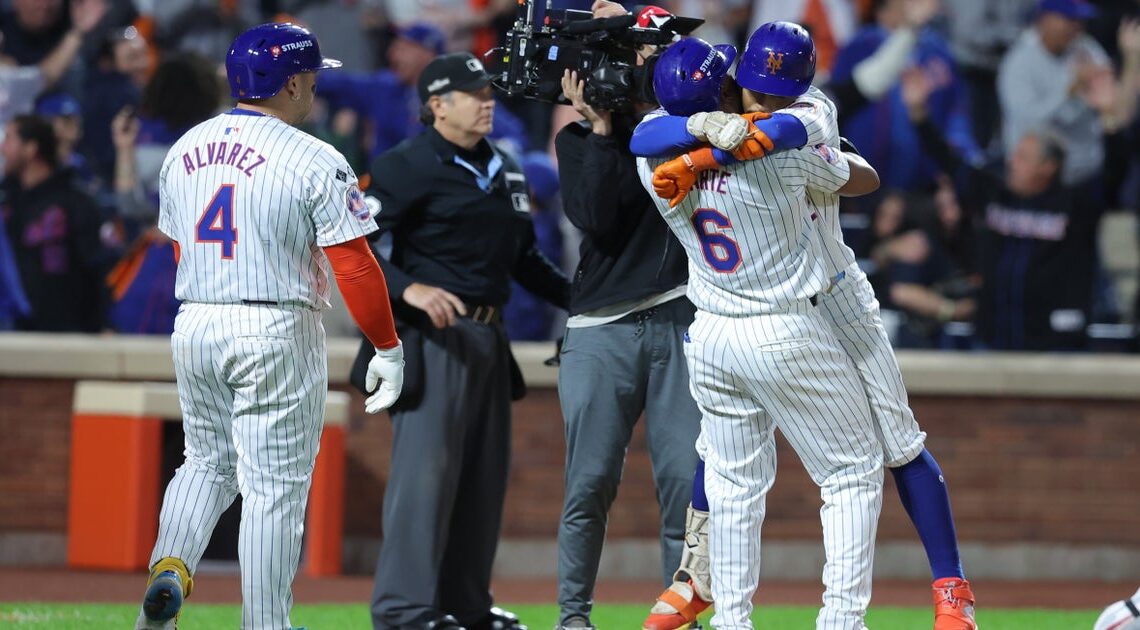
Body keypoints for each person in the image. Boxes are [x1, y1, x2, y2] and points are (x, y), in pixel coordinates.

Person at [635, 26, 978, 630]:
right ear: (727, 85)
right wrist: (721, 139)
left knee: (737, 478)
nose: (764, 100)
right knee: (848, 469)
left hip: (729, 324)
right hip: (788, 317)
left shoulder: (656, 161)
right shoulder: (784, 153)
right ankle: (834, 619)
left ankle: (727, 614)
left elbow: (851, 167)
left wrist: (699, 151)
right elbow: (849, 174)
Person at [133, 22, 405, 630]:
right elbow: (355, 266)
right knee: (273, 488)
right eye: (309, 77)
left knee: (204, 462)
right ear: (290, 82)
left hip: (197, 320)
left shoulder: (185, 148)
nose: (313, 87)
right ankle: (266, 624)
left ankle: (169, 572)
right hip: (275, 325)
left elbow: (180, 250)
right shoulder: (314, 156)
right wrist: (387, 344)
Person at [360, 51, 569, 630]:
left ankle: (466, 607)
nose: (487, 102)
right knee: (424, 479)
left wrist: (584, 299)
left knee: (481, 480)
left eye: (489, 93)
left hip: (489, 336)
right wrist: (409, 291)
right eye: (473, 94)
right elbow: (358, 249)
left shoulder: (507, 166)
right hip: (433, 339)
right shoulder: (405, 164)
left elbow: (524, 258)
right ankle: (403, 610)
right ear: (436, 105)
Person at [549, 38, 722, 628]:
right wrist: (601, 129)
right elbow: (596, 218)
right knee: (590, 481)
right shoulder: (576, 141)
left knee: (683, 484)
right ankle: (573, 617)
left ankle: (684, 616)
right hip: (602, 328)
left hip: (680, 319)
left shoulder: (687, 133)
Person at [906, 59, 1103, 351]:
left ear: (1048, 167)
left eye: (1023, 157)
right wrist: (919, 112)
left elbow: (1114, 172)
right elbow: (949, 160)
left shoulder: (1075, 206)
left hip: (1053, 345)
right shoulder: (995, 192)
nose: (1012, 162)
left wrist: (1110, 117)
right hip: (992, 338)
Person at [1, 113, 108, 332]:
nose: (2, 148)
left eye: (9, 139)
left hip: (67, 331)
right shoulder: (8, 201)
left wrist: (102, 323)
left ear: (31, 148)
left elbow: (95, 266)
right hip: (15, 329)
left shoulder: (75, 203)